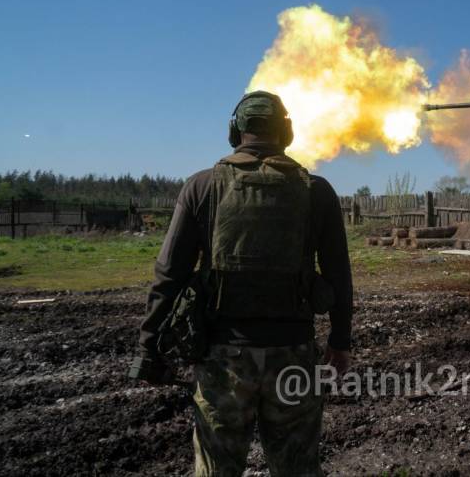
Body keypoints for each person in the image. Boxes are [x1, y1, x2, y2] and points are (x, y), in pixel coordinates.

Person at [129, 91, 353, 476]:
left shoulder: (201, 187)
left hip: (222, 357)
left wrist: (149, 348)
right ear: (287, 132)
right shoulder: (318, 191)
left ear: (235, 131)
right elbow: (339, 274)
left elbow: (169, 273)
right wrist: (340, 341)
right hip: (293, 356)